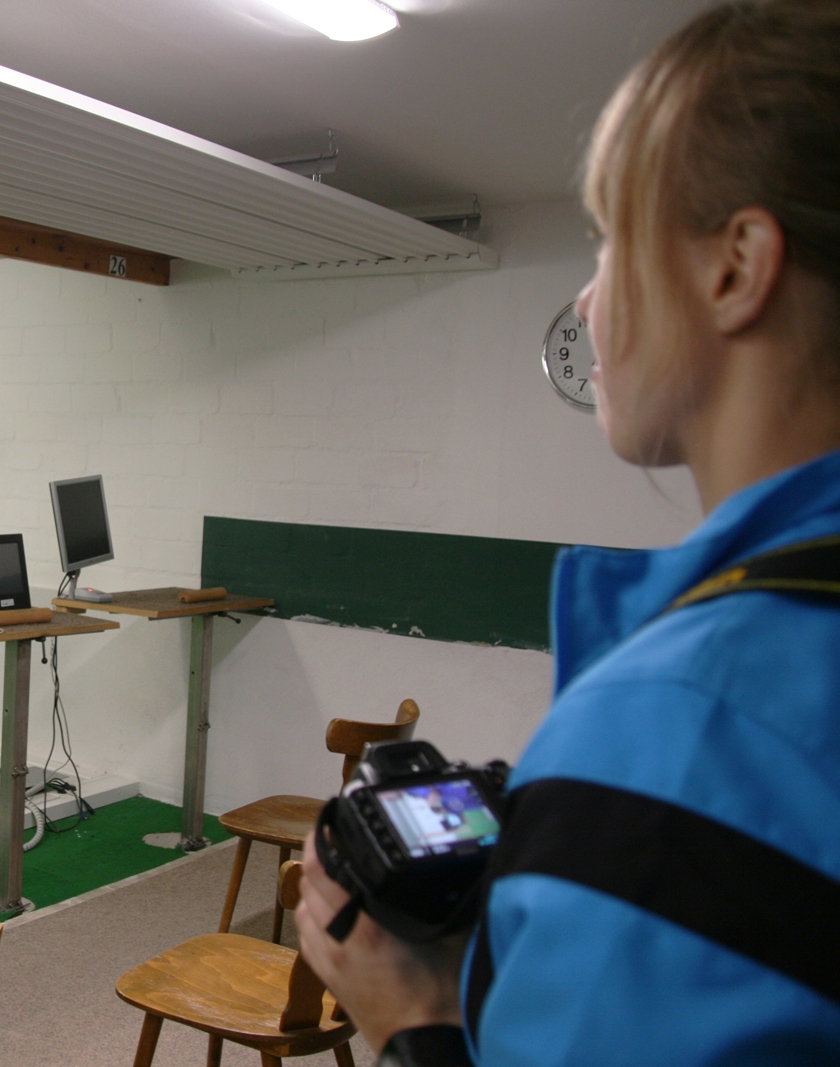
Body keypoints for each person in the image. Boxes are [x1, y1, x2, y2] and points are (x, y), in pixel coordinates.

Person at [294, 2, 840, 1064]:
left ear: (734, 267)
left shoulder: (677, 736)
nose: (586, 304)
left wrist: (412, 1018)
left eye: (610, 238)